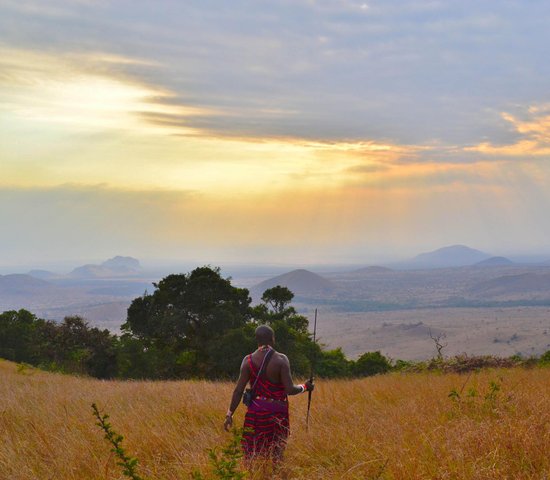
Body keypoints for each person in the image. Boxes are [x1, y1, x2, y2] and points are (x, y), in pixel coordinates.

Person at [223, 325, 314, 462]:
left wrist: (230, 414)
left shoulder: (247, 361)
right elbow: (289, 389)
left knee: (251, 452)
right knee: (277, 452)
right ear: (272, 339)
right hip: (278, 414)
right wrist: (305, 387)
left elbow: (238, 391)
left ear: (256, 339)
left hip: (255, 413)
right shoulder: (281, 360)